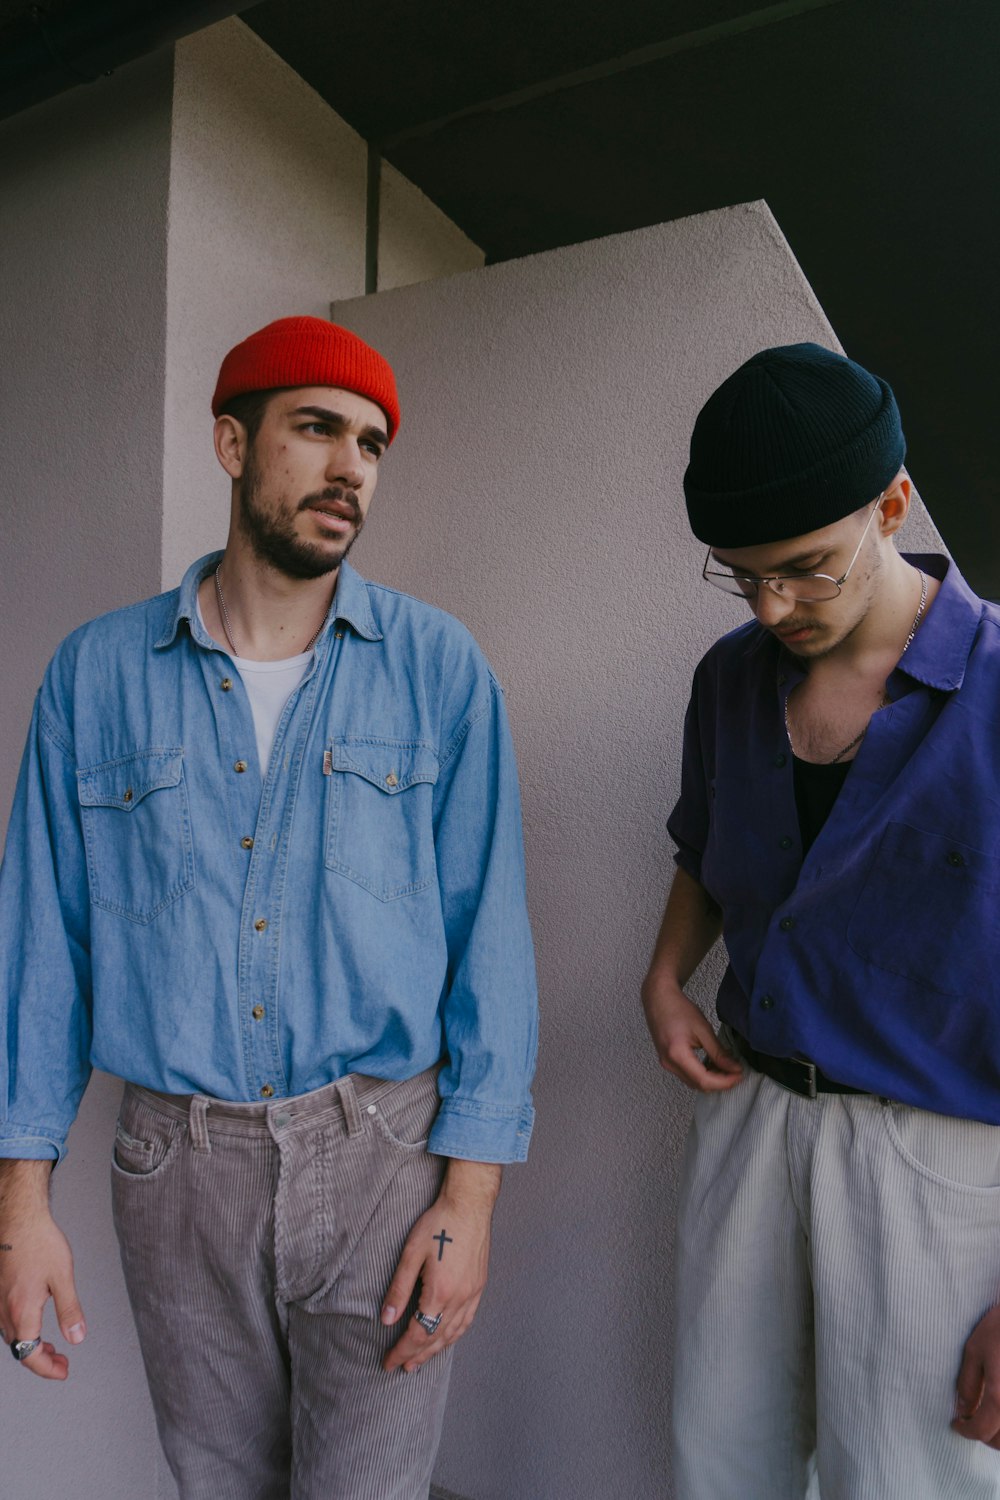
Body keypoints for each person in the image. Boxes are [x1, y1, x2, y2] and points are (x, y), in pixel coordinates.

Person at [0, 315, 538, 1500]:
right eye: (316, 429)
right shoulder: (94, 678)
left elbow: (487, 939)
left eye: (372, 443)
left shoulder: (439, 669)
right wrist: (20, 1206)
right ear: (231, 444)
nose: (351, 467)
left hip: (384, 1153)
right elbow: (44, 949)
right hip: (175, 1170)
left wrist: (470, 1197)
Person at [642, 341, 1000, 1499]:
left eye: (802, 569)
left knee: (909, 1481)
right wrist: (664, 975)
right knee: (722, 1458)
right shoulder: (727, 679)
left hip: (935, 1161)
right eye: (738, 575)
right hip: (751, 1122)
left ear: (891, 503)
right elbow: (705, 845)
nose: (770, 606)